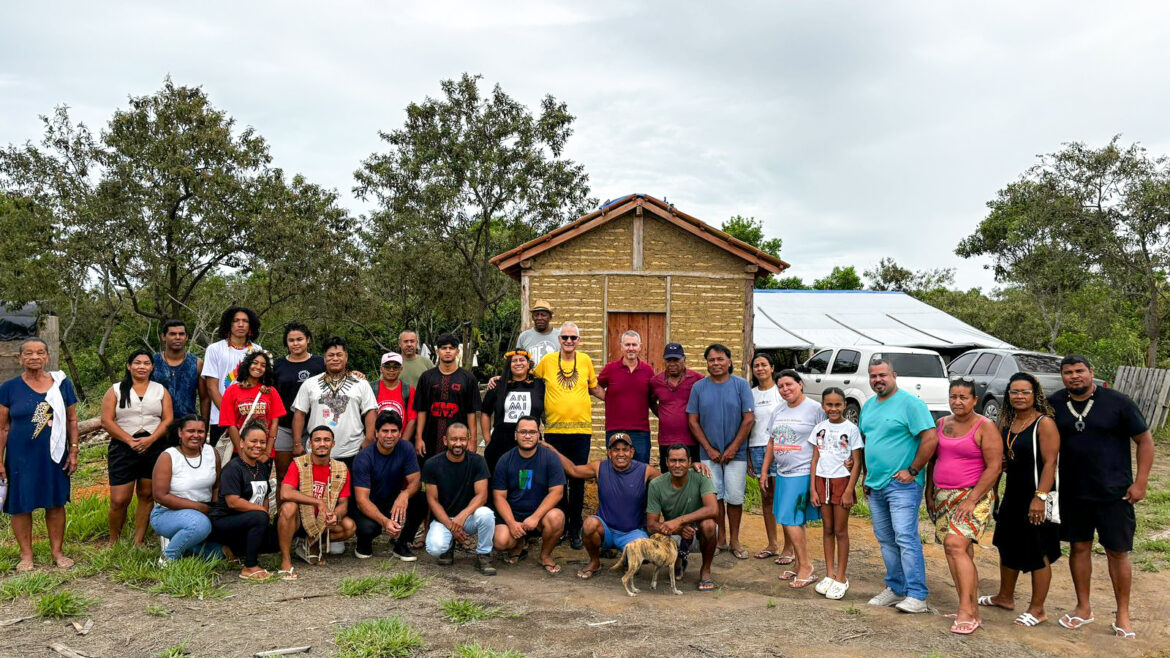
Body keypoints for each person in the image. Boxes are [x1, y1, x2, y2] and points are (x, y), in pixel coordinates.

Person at [1050, 354, 1153, 639]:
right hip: (1073, 493)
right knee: (1079, 548)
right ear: (1062, 376)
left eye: (1080, 370)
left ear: (1091, 372)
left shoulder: (1118, 402)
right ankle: (1083, 608)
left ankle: (1122, 614)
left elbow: (1144, 440)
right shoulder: (1055, 403)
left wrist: (1140, 482)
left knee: (1117, 552)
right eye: (1068, 372)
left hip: (1115, 494)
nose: (1074, 376)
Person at [859, 358, 938, 614]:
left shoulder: (911, 404)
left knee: (905, 537)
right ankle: (896, 589)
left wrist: (913, 470)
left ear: (894, 375)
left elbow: (930, 438)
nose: (877, 380)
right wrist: (866, 476)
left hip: (902, 485)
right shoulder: (869, 406)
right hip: (875, 484)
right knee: (885, 539)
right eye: (873, 376)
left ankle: (917, 595)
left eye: (882, 375)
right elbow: (869, 441)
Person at [982, 373, 1062, 628]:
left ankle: (1038, 609)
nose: (1019, 396)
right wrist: (994, 490)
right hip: (1013, 493)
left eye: (1024, 392)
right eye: (1014, 392)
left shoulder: (1044, 423)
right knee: (1007, 543)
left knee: (1037, 550)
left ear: (1034, 394)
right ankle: (1005, 597)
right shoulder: (1008, 421)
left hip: (1038, 494)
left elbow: (1051, 462)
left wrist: (1040, 497)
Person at [926, 378, 1002, 634]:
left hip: (973, 496)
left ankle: (965, 612)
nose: (957, 402)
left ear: (975, 400)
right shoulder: (941, 424)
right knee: (957, 552)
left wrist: (972, 500)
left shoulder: (985, 426)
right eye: (953, 397)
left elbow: (994, 467)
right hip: (942, 496)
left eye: (963, 397)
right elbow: (933, 459)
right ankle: (971, 608)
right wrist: (929, 491)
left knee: (955, 545)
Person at [0, 338, 80, 570]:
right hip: (20, 457)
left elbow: (72, 419)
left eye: (40, 352)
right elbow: (3, 427)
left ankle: (58, 552)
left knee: (55, 502)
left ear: (47, 356)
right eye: (28, 353)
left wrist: (73, 451)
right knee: (21, 503)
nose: (34, 357)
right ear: (20, 358)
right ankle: (26, 555)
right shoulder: (8, 388)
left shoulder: (61, 384)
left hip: (53, 456)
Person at [546, 432, 655, 580]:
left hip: (632, 533)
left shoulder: (645, 470)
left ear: (632, 452)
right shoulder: (600, 467)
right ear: (609, 453)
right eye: (616, 450)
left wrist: (692, 470)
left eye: (625, 449)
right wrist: (552, 450)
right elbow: (573, 470)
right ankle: (595, 562)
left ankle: (627, 558)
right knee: (589, 524)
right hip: (606, 530)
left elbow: (667, 482)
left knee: (644, 552)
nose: (621, 454)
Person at [533, 321, 603, 549]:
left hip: (581, 431)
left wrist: (619, 399)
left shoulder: (585, 361)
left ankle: (576, 529)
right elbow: (530, 382)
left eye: (573, 338)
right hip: (554, 431)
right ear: (559, 340)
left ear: (579, 340)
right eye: (565, 338)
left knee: (578, 480)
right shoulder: (547, 362)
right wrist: (499, 380)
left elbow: (593, 388)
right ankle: (559, 527)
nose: (569, 341)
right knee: (557, 480)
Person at [686, 343, 754, 559]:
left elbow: (749, 418)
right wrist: (708, 448)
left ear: (729, 362)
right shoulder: (699, 387)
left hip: (737, 454)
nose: (716, 363)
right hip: (709, 454)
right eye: (711, 360)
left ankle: (735, 540)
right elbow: (693, 420)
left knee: (734, 497)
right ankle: (720, 539)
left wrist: (734, 448)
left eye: (720, 359)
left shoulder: (741, 386)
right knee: (715, 498)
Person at [760, 369, 827, 586]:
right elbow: (771, 441)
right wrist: (764, 470)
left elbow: (824, 440)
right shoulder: (778, 410)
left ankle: (806, 566)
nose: (785, 389)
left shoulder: (815, 409)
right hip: (782, 473)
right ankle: (798, 564)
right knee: (792, 520)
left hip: (803, 472)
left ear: (800, 384)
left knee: (790, 519)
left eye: (789, 384)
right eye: (780, 386)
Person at [101, 349, 174, 546]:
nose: (142, 366)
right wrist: (128, 440)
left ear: (152, 367)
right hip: (123, 447)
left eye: (146, 363)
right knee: (119, 499)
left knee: (146, 493)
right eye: (137, 363)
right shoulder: (115, 390)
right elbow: (107, 420)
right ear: (129, 366)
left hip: (154, 446)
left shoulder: (160, 390)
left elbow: (168, 419)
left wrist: (151, 440)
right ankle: (113, 540)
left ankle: (138, 540)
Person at [276, 425, 356, 579]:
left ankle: (309, 545)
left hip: (322, 521)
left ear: (333, 444)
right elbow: (285, 492)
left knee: (349, 527)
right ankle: (286, 559)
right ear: (310, 444)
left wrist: (335, 515)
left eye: (327, 440)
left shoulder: (341, 469)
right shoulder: (298, 463)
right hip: (298, 521)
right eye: (317, 440)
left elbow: (343, 504)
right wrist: (318, 502)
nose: (322, 443)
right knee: (288, 508)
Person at [808, 387, 864, 600]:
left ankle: (841, 576)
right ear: (823, 405)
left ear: (844, 405)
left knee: (841, 530)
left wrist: (850, 489)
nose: (833, 408)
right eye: (829, 404)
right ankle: (829, 573)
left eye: (837, 404)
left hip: (842, 482)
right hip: (822, 482)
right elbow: (815, 459)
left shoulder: (851, 429)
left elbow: (857, 461)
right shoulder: (819, 428)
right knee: (827, 528)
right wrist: (813, 488)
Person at [492, 416, 566, 574]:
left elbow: (557, 492)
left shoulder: (550, 458)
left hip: (540, 515)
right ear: (515, 435)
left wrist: (536, 517)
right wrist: (512, 523)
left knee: (557, 518)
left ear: (539, 435)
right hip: (514, 514)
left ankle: (545, 555)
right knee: (500, 541)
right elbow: (499, 497)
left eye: (532, 432)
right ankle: (519, 543)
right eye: (523, 432)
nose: (527, 436)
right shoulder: (505, 460)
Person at [292, 336, 377, 470]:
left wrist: (369, 440)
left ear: (346, 357)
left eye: (339, 355)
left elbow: (371, 411)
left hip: (353, 451)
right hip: (317, 451)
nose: (335, 358)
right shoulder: (310, 384)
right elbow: (299, 413)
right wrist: (297, 443)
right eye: (331, 355)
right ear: (325, 359)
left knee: (351, 490)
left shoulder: (361, 383)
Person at [422, 423, 496, 575]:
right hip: (443, 518)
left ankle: (483, 554)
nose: (458, 444)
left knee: (486, 514)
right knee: (435, 548)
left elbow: (482, 496)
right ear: (445, 440)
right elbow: (432, 501)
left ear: (468, 440)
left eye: (462, 439)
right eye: (453, 439)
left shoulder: (477, 462)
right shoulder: (432, 464)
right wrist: (451, 526)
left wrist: (462, 516)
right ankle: (448, 546)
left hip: (468, 517)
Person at [208, 422, 280, 579]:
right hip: (224, 520)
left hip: (248, 520)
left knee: (275, 540)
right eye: (253, 441)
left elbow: (266, 495)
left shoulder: (261, 467)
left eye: (262, 442)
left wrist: (265, 512)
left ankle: (232, 550)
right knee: (259, 516)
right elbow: (233, 502)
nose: (258, 446)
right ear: (241, 443)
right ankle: (250, 566)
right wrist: (262, 512)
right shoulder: (233, 468)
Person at [150, 415, 223, 566]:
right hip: (168, 513)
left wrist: (216, 512)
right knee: (200, 525)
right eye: (190, 431)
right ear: (180, 433)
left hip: (205, 510)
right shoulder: (169, 456)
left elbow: (216, 486)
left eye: (201, 431)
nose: (196, 435)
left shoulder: (211, 452)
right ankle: (167, 558)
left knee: (219, 553)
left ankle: (187, 545)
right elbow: (160, 496)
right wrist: (199, 507)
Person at [350, 410, 423, 561]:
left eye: (394, 431)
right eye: (385, 431)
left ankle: (402, 544)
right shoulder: (364, 457)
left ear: (400, 433)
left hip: (393, 500)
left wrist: (404, 495)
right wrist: (385, 521)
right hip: (369, 503)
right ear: (376, 433)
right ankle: (364, 543)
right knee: (368, 528)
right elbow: (361, 500)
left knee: (422, 499)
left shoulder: (406, 448)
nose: (389, 435)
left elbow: (415, 481)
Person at [646, 444, 720, 591]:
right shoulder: (656, 484)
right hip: (674, 534)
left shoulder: (701, 476)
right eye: (673, 461)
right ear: (666, 462)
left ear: (689, 461)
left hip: (698, 532)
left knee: (710, 525)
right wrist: (678, 530)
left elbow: (713, 509)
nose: (677, 465)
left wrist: (679, 521)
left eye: (682, 460)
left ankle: (705, 571)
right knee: (657, 534)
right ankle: (678, 560)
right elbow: (651, 525)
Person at [202, 306, 264, 447]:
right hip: (221, 418)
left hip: (250, 417)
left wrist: (244, 414)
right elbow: (212, 387)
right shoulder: (215, 349)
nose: (240, 324)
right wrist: (231, 415)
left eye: (245, 321)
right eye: (236, 320)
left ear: (250, 325)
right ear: (229, 324)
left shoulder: (257, 350)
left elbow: (260, 385)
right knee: (222, 463)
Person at [414, 332, 480, 461]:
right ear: (438, 351)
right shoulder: (427, 377)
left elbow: (471, 412)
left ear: (457, 351)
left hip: (458, 439)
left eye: (451, 348)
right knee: (430, 474)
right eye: (444, 348)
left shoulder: (468, 378)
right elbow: (421, 410)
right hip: (430, 436)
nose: (448, 351)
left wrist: (473, 440)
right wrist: (419, 437)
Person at [746, 353, 787, 562]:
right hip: (757, 447)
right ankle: (772, 543)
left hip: (781, 448)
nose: (760, 368)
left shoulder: (781, 391)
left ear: (772, 368)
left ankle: (789, 546)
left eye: (763, 365)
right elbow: (746, 424)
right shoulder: (750, 393)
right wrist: (748, 455)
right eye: (756, 365)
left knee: (784, 496)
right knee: (767, 497)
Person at [273, 322, 325, 483]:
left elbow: (339, 375)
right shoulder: (278, 365)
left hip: (313, 427)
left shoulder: (320, 363)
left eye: (299, 339)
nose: (295, 343)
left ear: (308, 340)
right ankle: (284, 509)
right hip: (284, 426)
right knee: (284, 476)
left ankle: (309, 508)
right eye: (291, 340)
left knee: (311, 476)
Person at [480, 349, 545, 473]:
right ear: (509, 365)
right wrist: (488, 439)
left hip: (529, 440)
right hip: (501, 441)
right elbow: (485, 412)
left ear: (528, 364)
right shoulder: (497, 385)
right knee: (499, 478)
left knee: (525, 480)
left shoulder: (539, 385)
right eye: (514, 361)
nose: (518, 363)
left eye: (522, 360)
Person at [597, 330, 655, 464]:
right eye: (627, 344)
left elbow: (653, 395)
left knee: (641, 469)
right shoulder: (610, 368)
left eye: (634, 345)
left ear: (640, 347)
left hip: (640, 431)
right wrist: (610, 399)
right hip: (614, 429)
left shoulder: (648, 370)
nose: (631, 348)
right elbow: (595, 387)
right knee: (615, 468)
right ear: (621, 347)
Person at [219, 350, 286, 459]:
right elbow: (230, 424)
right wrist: (241, 453)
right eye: (255, 363)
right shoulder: (231, 391)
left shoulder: (270, 391)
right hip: (238, 451)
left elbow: (274, 424)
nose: (258, 367)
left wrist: (267, 452)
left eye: (263, 365)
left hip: (263, 452)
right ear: (247, 364)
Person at [650, 342, 704, 471]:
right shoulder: (655, 381)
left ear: (684, 359)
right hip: (666, 440)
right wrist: (663, 415)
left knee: (692, 477)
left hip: (691, 439)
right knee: (668, 476)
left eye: (676, 359)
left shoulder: (697, 379)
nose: (672, 363)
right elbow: (651, 402)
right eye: (669, 360)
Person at [151, 319, 203, 419]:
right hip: (157, 423)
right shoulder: (152, 362)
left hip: (187, 424)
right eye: (172, 334)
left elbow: (204, 398)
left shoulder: (196, 363)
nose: (177, 337)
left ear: (186, 337)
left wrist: (204, 424)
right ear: (163, 337)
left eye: (181, 334)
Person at [374, 352, 417, 443]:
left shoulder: (409, 390)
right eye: (387, 366)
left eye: (396, 367)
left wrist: (402, 443)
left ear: (401, 369)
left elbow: (412, 420)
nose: (391, 370)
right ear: (381, 369)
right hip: (377, 442)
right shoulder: (372, 389)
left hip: (400, 439)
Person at [516, 301, 561, 365]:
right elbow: (519, 360)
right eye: (536, 315)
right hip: (531, 375)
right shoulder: (524, 336)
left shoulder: (560, 336)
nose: (539, 318)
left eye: (543, 315)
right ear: (532, 317)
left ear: (550, 317)